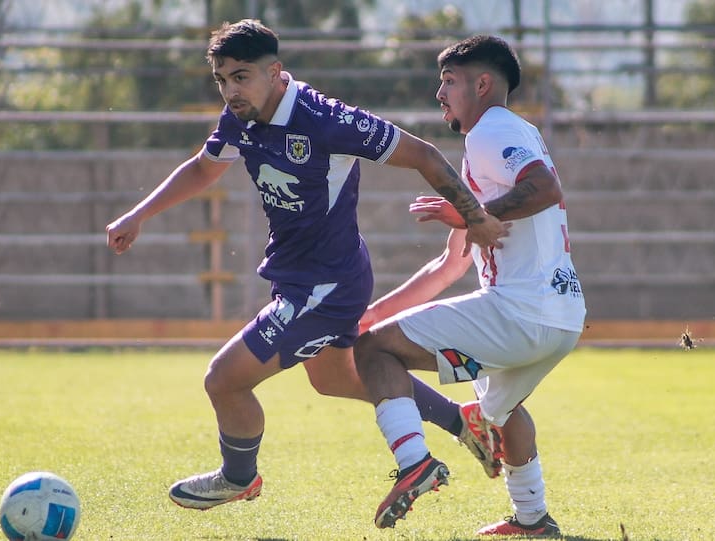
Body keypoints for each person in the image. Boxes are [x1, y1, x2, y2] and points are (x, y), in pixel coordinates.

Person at [106, 20, 508, 513]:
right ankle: (462, 420)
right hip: (303, 278)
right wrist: (138, 214)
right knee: (333, 379)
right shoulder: (241, 116)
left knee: (224, 380)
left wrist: (476, 218)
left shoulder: (326, 120)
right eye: (222, 79)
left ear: (276, 72)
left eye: (242, 76)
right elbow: (204, 167)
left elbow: (423, 154)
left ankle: (239, 478)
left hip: (326, 286)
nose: (231, 90)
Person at [353, 34, 586, 537]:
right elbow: (449, 266)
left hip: (519, 314)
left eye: (449, 81)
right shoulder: (508, 134)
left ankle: (415, 462)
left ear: (483, 84)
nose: (440, 92)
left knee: (373, 354)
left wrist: (468, 211)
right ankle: (533, 520)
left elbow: (545, 189)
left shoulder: (490, 131)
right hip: (560, 320)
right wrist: (375, 315)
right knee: (500, 409)